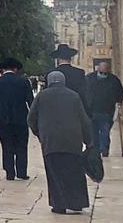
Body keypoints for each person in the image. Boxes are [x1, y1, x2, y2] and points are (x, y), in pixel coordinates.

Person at [29, 70, 93, 214]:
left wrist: (40, 134)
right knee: (74, 172)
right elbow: (84, 120)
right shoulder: (74, 96)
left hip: (51, 142)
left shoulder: (41, 96)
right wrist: (88, 141)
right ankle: (76, 203)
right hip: (72, 141)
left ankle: (59, 205)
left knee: (55, 174)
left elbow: (31, 118)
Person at [0, 58, 34, 181]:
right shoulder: (24, 82)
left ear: (2, 69)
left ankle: (10, 173)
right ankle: (22, 172)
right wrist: (34, 119)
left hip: (2, 120)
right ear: (16, 68)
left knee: (7, 146)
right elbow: (31, 102)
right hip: (21, 119)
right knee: (21, 146)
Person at [85, 59, 123, 158]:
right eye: (101, 72)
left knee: (105, 132)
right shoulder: (89, 79)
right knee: (93, 132)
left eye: (105, 73)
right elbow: (84, 92)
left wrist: (119, 101)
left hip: (107, 111)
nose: (103, 74)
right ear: (98, 69)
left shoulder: (114, 80)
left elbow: (119, 92)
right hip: (92, 111)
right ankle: (95, 150)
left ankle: (104, 150)